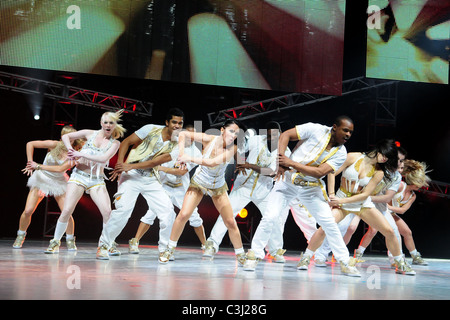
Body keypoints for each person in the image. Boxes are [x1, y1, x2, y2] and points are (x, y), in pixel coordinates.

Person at [243, 116, 360, 277]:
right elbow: (285, 135)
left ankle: (344, 261)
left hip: (310, 188)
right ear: (334, 127)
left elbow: (319, 172)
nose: (348, 135)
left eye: (351, 132)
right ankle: (254, 255)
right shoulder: (315, 128)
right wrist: (281, 163)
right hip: (287, 182)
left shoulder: (341, 153)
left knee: (328, 223)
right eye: (345, 130)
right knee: (270, 216)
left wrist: (290, 162)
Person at [301, 139, 416, 275]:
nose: (385, 159)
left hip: (360, 203)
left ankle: (401, 263)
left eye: (388, 158)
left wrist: (341, 200)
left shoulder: (379, 172)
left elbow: (365, 195)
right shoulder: (353, 157)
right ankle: (306, 257)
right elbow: (331, 171)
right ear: (380, 149)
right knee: (325, 228)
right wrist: (331, 195)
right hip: (341, 201)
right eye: (385, 155)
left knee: (389, 231)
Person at [97, 108, 184, 260]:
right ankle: (104, 245)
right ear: (167, 123)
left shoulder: (178, 143)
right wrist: (120, 164)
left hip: (150, 178)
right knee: (123, 211)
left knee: (168, 212)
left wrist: (130, 166)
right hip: (131, 176)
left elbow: (156, 161)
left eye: (180, 123)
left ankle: (164, 249)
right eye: (174, 122)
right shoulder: (150, 129)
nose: (177, 126)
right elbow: (126, 142)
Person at [159, 120, 247, 265]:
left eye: (236, 134)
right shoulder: (209, 139)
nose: (233, 136)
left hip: (217, 187)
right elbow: (183, 135)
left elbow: (213, 163)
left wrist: (189, 158)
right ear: (222, 130)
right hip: (199, 182)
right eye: (231, 131)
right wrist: (182, 155)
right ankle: (169, 249)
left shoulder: (233, 149)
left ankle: (241, 255)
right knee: (184, 214)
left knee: (230, 221)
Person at [203, 121, 292, 261]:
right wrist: (239, 161)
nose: (272, 138)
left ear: (280, 134)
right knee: (227, 214)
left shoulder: (285, 151)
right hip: (244, 185)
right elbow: (238, 148)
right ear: (265, 135)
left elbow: (272, 172)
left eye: (275, 135)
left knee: (272, 218)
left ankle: (275, 251)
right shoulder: (256, 140)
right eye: (269, 136)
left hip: (264, 190)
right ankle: (212, 245)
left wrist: (249, 165)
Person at [44, 110, 125, 255]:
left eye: (111, 123)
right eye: (105, 122)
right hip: (79, 177)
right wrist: (70, 150)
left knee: (107, 212)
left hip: (97, 180)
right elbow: (65, 136)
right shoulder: (89, 133)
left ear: (114, 125)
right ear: (101, 123)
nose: (107, 125)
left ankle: (106, 245)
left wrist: (80, 153)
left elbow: (103, 158)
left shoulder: (115, 143)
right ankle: (55, 242)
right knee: (67, 210)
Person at [128, 124, 206, 254]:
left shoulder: (195, 152)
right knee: (151, 212)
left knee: (194, 216)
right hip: (164, 186)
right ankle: (135, 241)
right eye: (188, 134)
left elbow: (181, 172)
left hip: (181, 188)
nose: (190, 138)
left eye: (193, 136)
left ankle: (205, 245)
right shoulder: (171, 144)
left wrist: (160, 168)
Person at [13, 126, 83, 249]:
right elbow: (30, 144)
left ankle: (70, 240)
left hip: (58, 180)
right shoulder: (54, 144)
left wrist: (38, 165)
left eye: (71, 136)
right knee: (28, 210)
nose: (68, 138)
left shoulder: (75, 152)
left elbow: (60, 169)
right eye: (65, 135)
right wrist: (30, 163)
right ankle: (20, 235)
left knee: (66, 212)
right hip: (41, 178)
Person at [358, 159, 431, 265]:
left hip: (391, 212)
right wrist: (384, 205)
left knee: (407, 232)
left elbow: (403, 210)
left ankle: (415, 256)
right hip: (381, 209)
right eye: (420, 183)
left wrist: (389, 208)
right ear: (414, 181)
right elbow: (385, 194)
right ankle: (359, 253)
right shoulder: (400, 185)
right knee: (373, 231)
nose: (422, 186)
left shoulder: (413, 196)